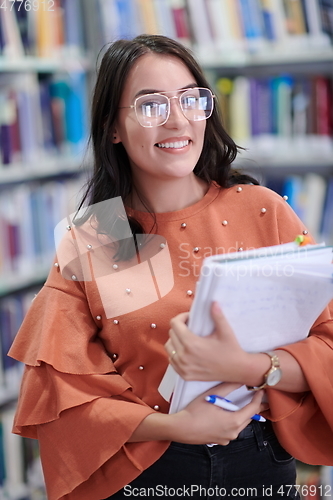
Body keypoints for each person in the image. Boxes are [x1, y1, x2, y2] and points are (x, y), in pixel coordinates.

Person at [8, 34, 333, 500]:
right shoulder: (101, 236)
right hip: (147, 471)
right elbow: (66, 395)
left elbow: (326, 346)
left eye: (190, 99)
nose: (178, 120)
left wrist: (251, 366)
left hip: (261, 463)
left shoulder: (264, 209)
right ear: (112, 129)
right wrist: (179, 425)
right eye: (151, 105)